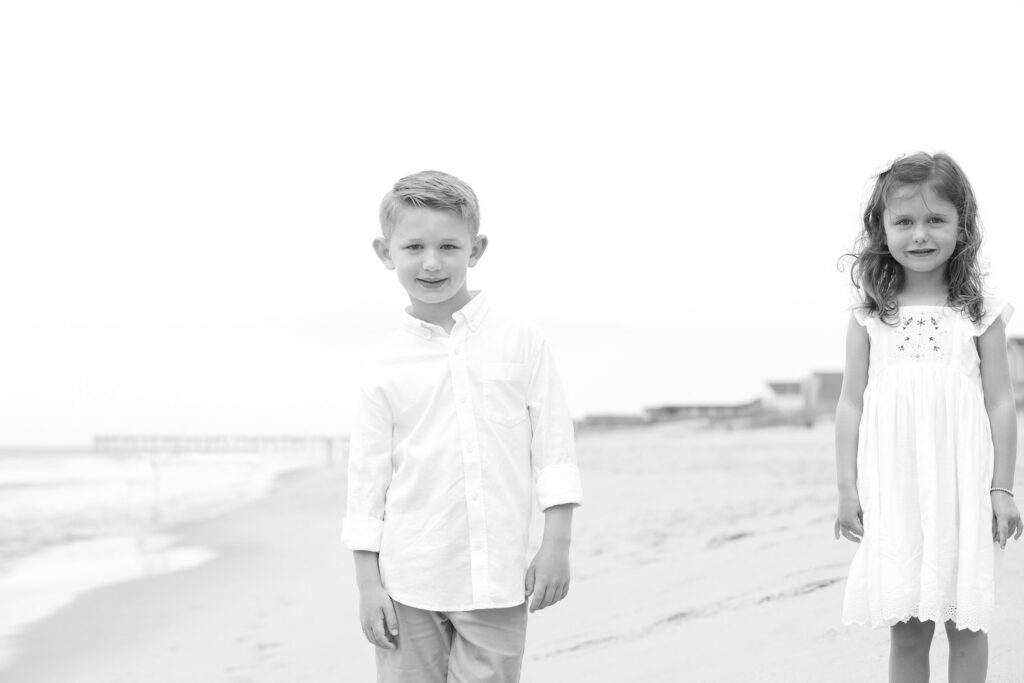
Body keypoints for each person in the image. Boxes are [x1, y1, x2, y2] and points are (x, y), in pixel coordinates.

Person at [341, 170, 583, 682]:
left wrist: (556, 544)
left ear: (476, 249)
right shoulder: (385, 366)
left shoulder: (521, 340)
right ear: (386, 253)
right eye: (414, 247)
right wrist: (367, 583)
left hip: (495, 577)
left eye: (449, 245)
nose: (432, 262)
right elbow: (368, 480)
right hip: (408, 579)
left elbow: (554, 448)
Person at [834, 152, 1023, 683]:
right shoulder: (870, 315)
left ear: (962, 226)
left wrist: (1002, 488)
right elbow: (850, 403)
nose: (920, 235)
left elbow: (1001, 402)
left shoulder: (978, 312)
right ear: (882, 229)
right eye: (904, 222)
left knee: (967, 623)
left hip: (964, 487)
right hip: (896, 489)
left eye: (936, 219)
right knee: (908, 626)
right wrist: (847, 488)